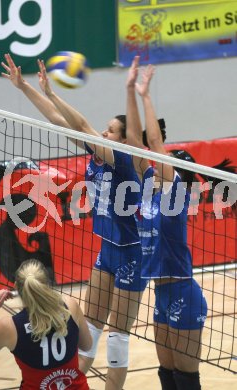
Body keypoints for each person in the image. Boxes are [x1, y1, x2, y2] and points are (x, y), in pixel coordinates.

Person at [1, 54, 147, 390]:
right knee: (90, 329)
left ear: (122, 140)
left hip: (131, 255)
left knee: (117, 339)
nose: (102, 131)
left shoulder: (123, 160)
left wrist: (54, 93)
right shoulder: (96, 156)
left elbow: (81, 126)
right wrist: (26, 88)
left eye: (109, 130)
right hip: (107, 250)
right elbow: (58, 122)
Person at [126, 56, 208, 390]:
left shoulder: (176, 198)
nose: (158, 162)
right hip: (160, 294)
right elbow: (133, 141)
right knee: (167, 375)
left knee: (186, 379)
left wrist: (146, 96)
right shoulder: (149, 192)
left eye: (167, 162)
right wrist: (129, 88)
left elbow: (154, 145)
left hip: (183, 293)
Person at [0, 259, 92, 389]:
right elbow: (87, 345)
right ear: (47, 284)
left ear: (16, 286)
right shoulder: (69, 306)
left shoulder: (8, 327)